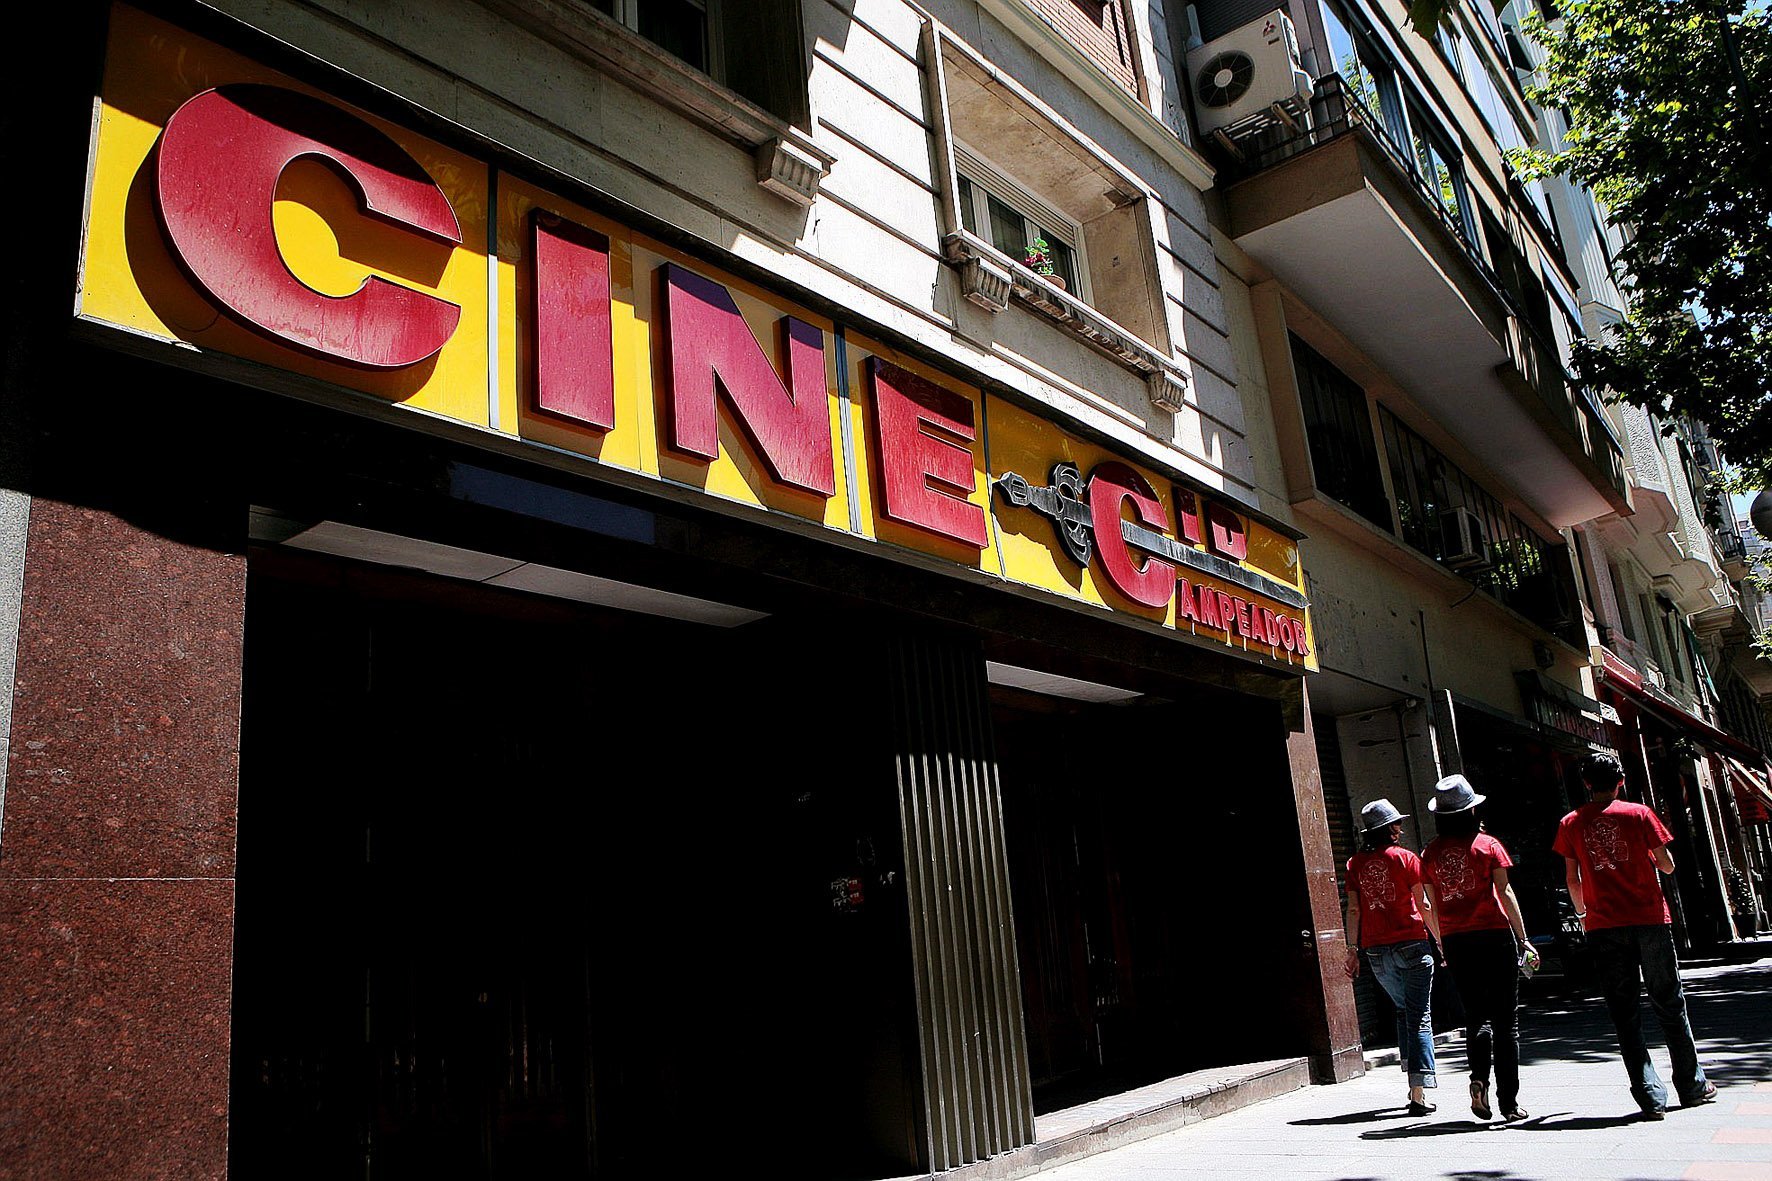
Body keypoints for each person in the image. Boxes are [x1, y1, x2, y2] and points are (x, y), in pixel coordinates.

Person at [1554, 751, 1718, 1119]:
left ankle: (1648, 1094)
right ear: (1621, 781)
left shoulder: (1570, 823)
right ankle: (1691, 1085)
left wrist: (1582, 914)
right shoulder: (1640, 814)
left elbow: (1572, 879)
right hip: (1649, 918)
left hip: (1603, 924)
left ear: (1586, 783)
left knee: (1624, 1010)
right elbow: (1668, 865)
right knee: (1670, 1002)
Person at [1421, 774, 1537, 1123]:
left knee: (1476, 1017)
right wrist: (1523, 937)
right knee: (1506, 1021)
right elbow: (1505, 893)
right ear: (1472, 811)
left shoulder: (1429, 853)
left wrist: (1441, 942)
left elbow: (1431, 905)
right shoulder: (1488, 845)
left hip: (1456, 941)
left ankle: (1478, 1080)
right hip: (1494, 936)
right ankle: (1509, 1103)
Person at [1345, 797, 1441, 1115]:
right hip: (1412, 944)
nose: (1400, 827)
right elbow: (1423, 904)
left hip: (1375, 950)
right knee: (1419, 1015)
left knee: (1403, 1011)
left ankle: (1413, 1085)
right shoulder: (1406, 858)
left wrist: (1352, 950)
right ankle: (1418, 1093)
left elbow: (1354, 910)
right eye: (1397, 823)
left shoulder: (1354, 864)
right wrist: (1441, 942)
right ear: (1390, 829)